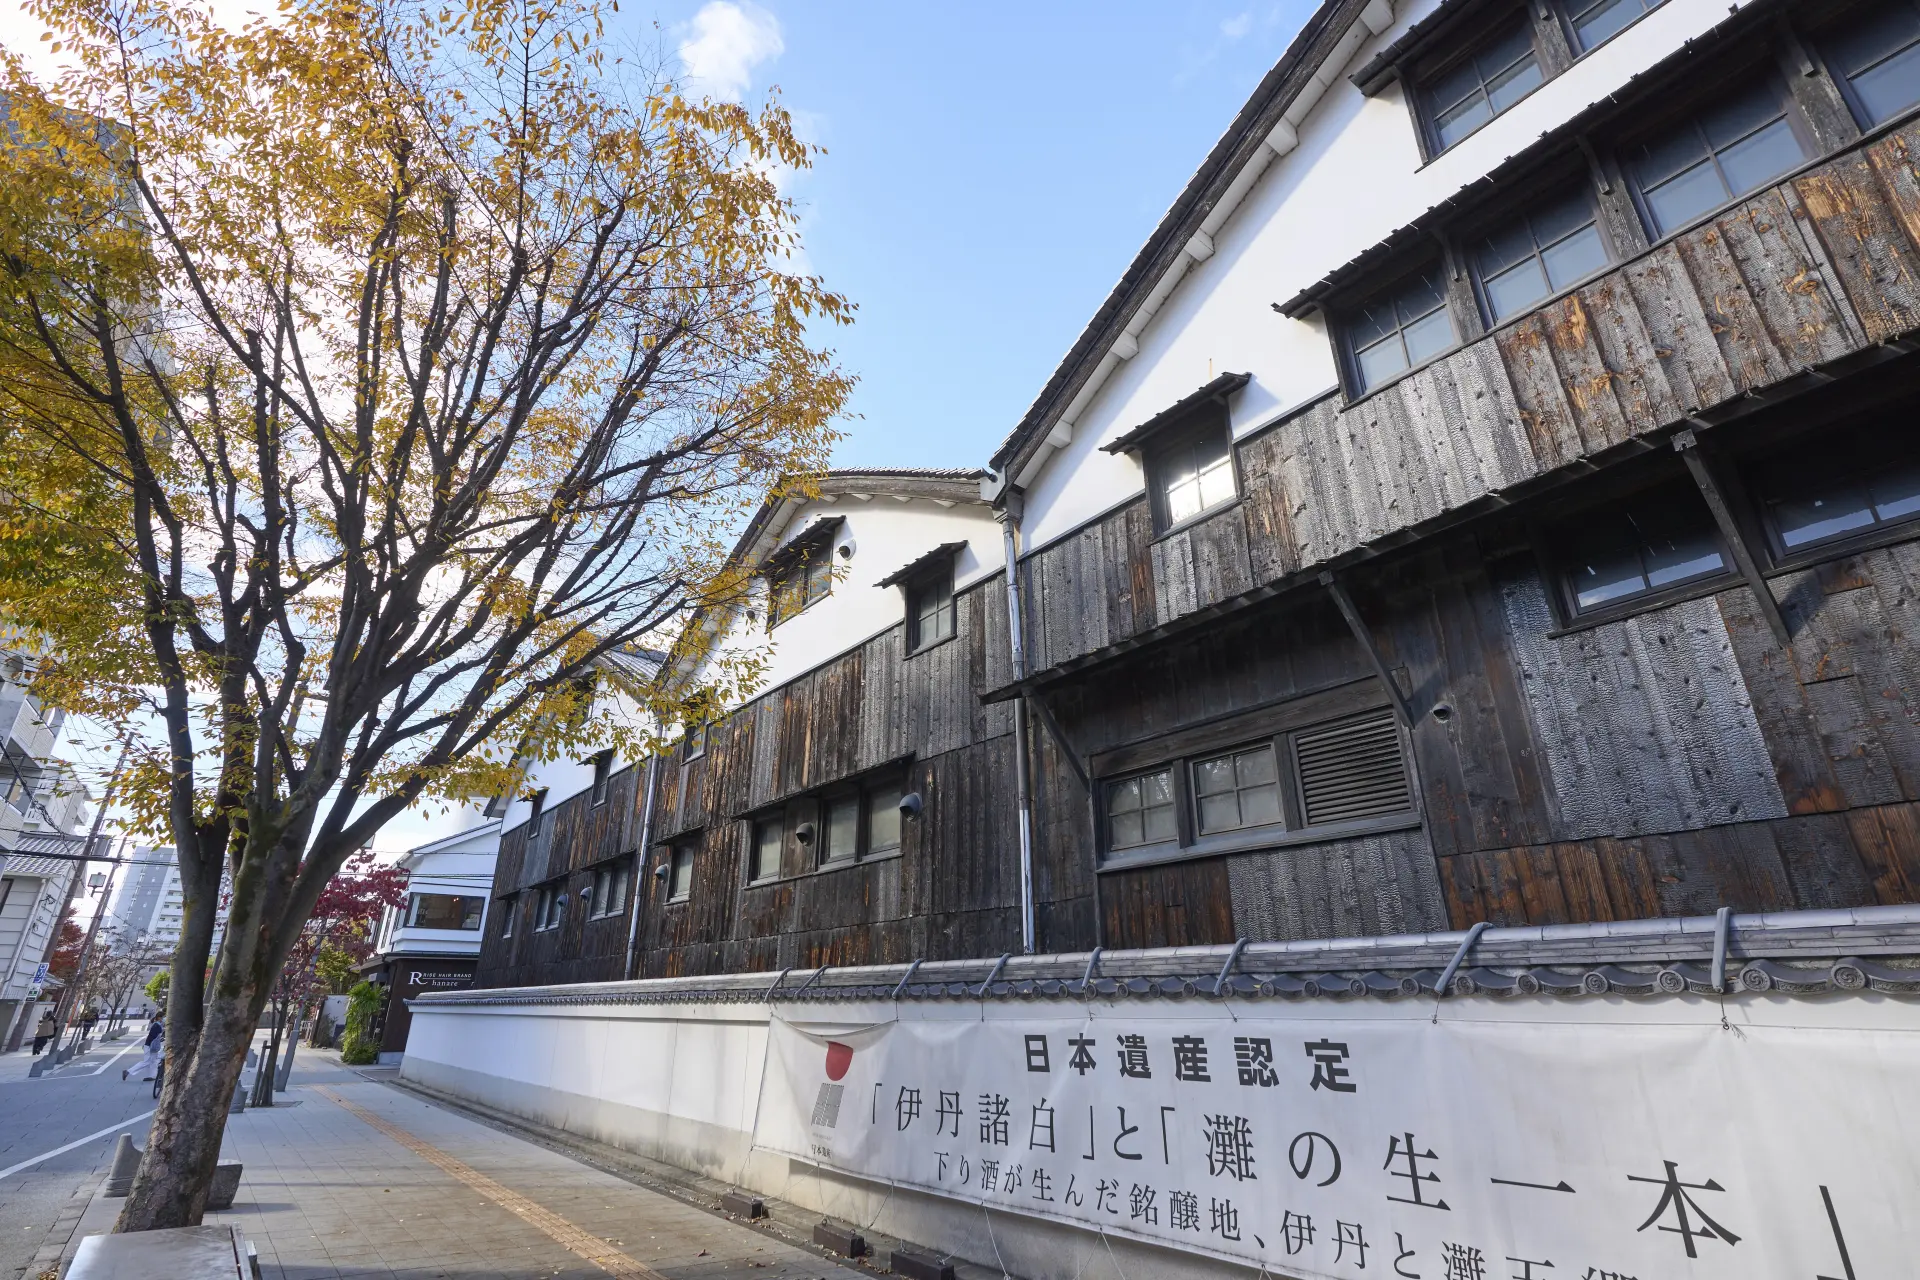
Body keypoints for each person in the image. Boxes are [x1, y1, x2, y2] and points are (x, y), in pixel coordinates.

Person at [125, 1012, 164, 1084]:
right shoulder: (156, 1026)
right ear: (159, 1018)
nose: (164, 1019)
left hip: (151, 1046)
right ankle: (128, 1071)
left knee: (153, 1061)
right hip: (150, 1047)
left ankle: (152, 1076)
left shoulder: (158, 1025)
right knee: (147, 1062)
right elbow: (152, 1037)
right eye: (163, 1017)